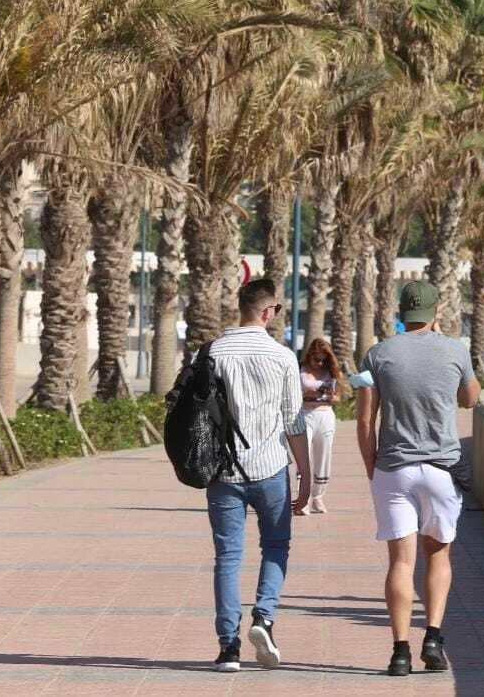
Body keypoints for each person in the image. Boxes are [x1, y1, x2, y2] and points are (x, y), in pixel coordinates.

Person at [356, 280, 480, 677]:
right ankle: (433, 636)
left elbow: (364, 419)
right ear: (435, 311)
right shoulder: (454, 351)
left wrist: (372, 465)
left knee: (400, 562)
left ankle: (399, 652)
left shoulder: (378, 354)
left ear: (402, 312)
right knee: (438, 555)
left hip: (393, 469)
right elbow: (471, 398)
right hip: (440, 469)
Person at [206, 278, 310, 672]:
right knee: (277, 546)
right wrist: (308, 475)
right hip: (270, 470)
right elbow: (293, 422)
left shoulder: (214, 352)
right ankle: (263, 618)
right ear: (267, 312)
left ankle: (228, 647)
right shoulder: (282, 357)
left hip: (223, 473)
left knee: (227, 558)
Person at [297, 338, 344, 515]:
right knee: (303, 457)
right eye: (316, 359)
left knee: (324, 456)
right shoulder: (299, 368)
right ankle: (303, 499)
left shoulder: (330, 372)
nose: (319, 363)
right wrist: (306, 394)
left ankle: (318, 497)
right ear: (309, 356)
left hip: (325, 413)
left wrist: (330, 396)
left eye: (323, 359)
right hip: (304, 414)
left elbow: (338, 397)